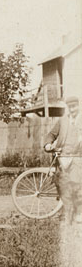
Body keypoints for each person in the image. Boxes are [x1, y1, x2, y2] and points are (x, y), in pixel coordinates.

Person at [44, 95, 82, 223]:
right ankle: (67, 213)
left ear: (78, 106)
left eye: (74, 106)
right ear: (68, 108)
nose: (73, 109)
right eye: (70, 107)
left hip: (78, 158)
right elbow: (51, 134)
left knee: (77, 185)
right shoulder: (62, 121)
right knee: (62, 186)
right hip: (61, 158)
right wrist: (48, 144)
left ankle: (78, 213)